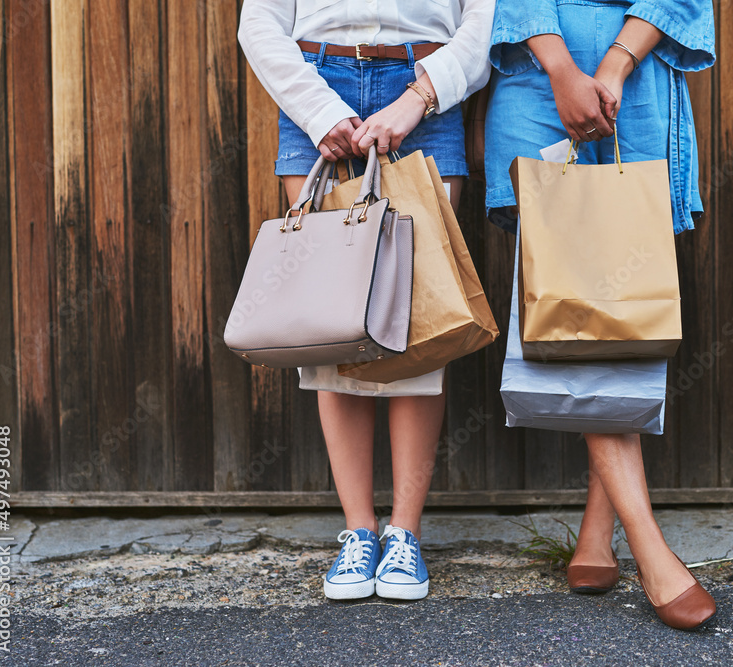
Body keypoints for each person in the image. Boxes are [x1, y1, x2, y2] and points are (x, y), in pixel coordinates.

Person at [238, 0, 494, 602]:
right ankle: (359, 531)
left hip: (425, 91)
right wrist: (319, 110)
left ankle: (405, 532)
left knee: (418, 321)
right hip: (314, 88)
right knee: (332, 319)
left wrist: (415, 101)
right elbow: (259, 22)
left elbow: (482, 26)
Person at [484, 0, 717, 630]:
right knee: (576, 305)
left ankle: (598, 523)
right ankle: (648, 546)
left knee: (616, 313)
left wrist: (614, 65)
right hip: (538, 77)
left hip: (634, 83)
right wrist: (563, 71)